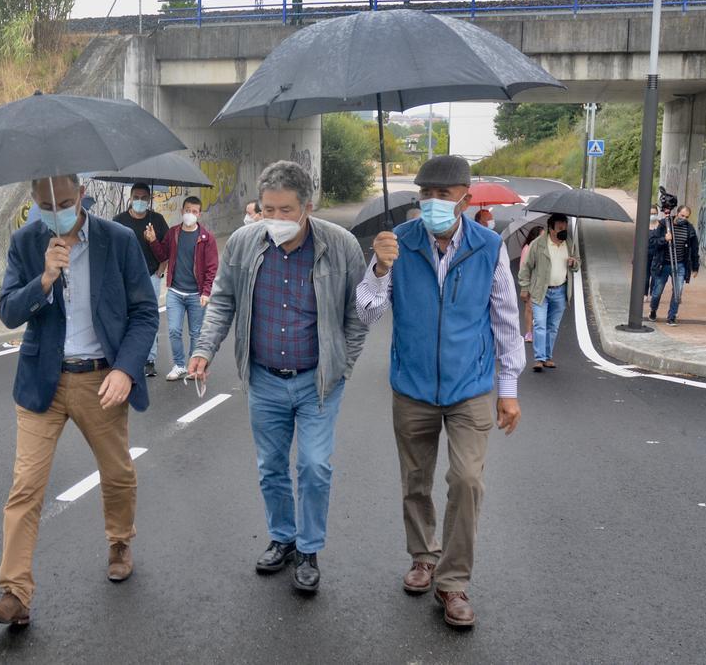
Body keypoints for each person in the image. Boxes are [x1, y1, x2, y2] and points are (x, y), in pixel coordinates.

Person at [0, 174, 158, 627]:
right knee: (25, 488)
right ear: (34, 202)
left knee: (116, 472)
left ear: (80, 195)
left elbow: (143, 312)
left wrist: (125, 368)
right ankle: (15, 592)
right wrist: (45, 278)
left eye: (61, 200)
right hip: (44, 380)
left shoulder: (117, 240)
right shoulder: (26, 241)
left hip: (101, 378)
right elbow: (8, 313)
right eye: (44, 202)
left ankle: (119, 539)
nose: (53, 208)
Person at [356, 155, 524, 628]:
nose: (431, 203)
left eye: (442, 195)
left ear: (465, 200)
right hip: (411, 387)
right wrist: (380, 269)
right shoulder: (396, 244)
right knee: (415, 481)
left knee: (467, 480)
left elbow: (506, 321)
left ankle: (453, 583)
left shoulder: (489, 247)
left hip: (470, 387)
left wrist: (507, 390)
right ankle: (423, 556)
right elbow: (367, 313)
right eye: (425, 194)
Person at [188, 160, 369, 595]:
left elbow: (358, 314)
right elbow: (224, 301)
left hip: (317, 381)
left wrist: (342, 366)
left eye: (286, 210)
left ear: (308, 206)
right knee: (271, 467)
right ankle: (283, 538)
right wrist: (203, 348)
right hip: (265, 379)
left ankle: (308, 549)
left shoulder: (341, 246)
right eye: (268, 209)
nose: (276, 220)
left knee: (313, 465)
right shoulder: (246, 243)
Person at [145, 196, 218, 381]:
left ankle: (194, 367)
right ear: (182, 211)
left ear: (199, 214)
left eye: (194, 211)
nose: (190, 214)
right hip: (175, 292)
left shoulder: (206, 238)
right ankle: (179, 365)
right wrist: (153, 240)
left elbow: (211, 267)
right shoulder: (173, 233)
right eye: (187, 210)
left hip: (196, 294)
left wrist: (206, 292)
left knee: (195, 332)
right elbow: (162, 254)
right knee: (174, 331)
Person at [113, 183, 170, 378]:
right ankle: (126, 358)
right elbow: (112, 251)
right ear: (130, 198)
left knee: (148, 319)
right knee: (123, 318)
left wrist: (159, 272)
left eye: (144, 198)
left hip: (150, 278)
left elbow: (166, 253)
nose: (140, 201)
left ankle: (149, 360)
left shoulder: (157, 220)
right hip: (125, 279)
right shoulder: (118, 221)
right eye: (136, 197)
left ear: (149, 200)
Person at [519, 214, 579, 372]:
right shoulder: (538, 244)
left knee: (553, 326)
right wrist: (525, 288)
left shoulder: (569, 243)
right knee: (539, 323)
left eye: (565, 227)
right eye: (560, 228)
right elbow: (526, 267)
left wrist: (574, 263)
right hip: (541, 291)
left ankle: (547, 356)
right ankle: (539, 358)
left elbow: (577, 263)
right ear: (551, 229)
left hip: (560, 291)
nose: (563, 230)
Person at [649, 204, 700, 326]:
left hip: (680, 265)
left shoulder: (689, 229)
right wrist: (664, 240)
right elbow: (652, 242)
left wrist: (695, 267)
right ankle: (653, 310)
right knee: (657, 292)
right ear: (677, 213)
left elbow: (694, 249)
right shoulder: (664, 224)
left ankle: (671, 317)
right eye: (682, 215)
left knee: (678, 291)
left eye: (687, 217)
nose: (684, 218)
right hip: (663, 264)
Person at [518, 226, 544, 343]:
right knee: (529, 308)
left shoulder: (543, 248)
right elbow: (523, 268)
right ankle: (528, 333)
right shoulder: (527, 249)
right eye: (541, 235)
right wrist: (525, 286)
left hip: (542, 283)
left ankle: (539, 331)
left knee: (540, 308)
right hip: (531, 283)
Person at [644, 205, 661, 301]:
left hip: (657, 254)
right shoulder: (644, 225)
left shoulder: (660, 225)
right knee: (646, 275)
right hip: (646, 253)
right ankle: (644, 294)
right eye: (651, 214)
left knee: (655, 275)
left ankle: (652, 294)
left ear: (657, 214)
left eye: (654, 213)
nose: (653, 215)